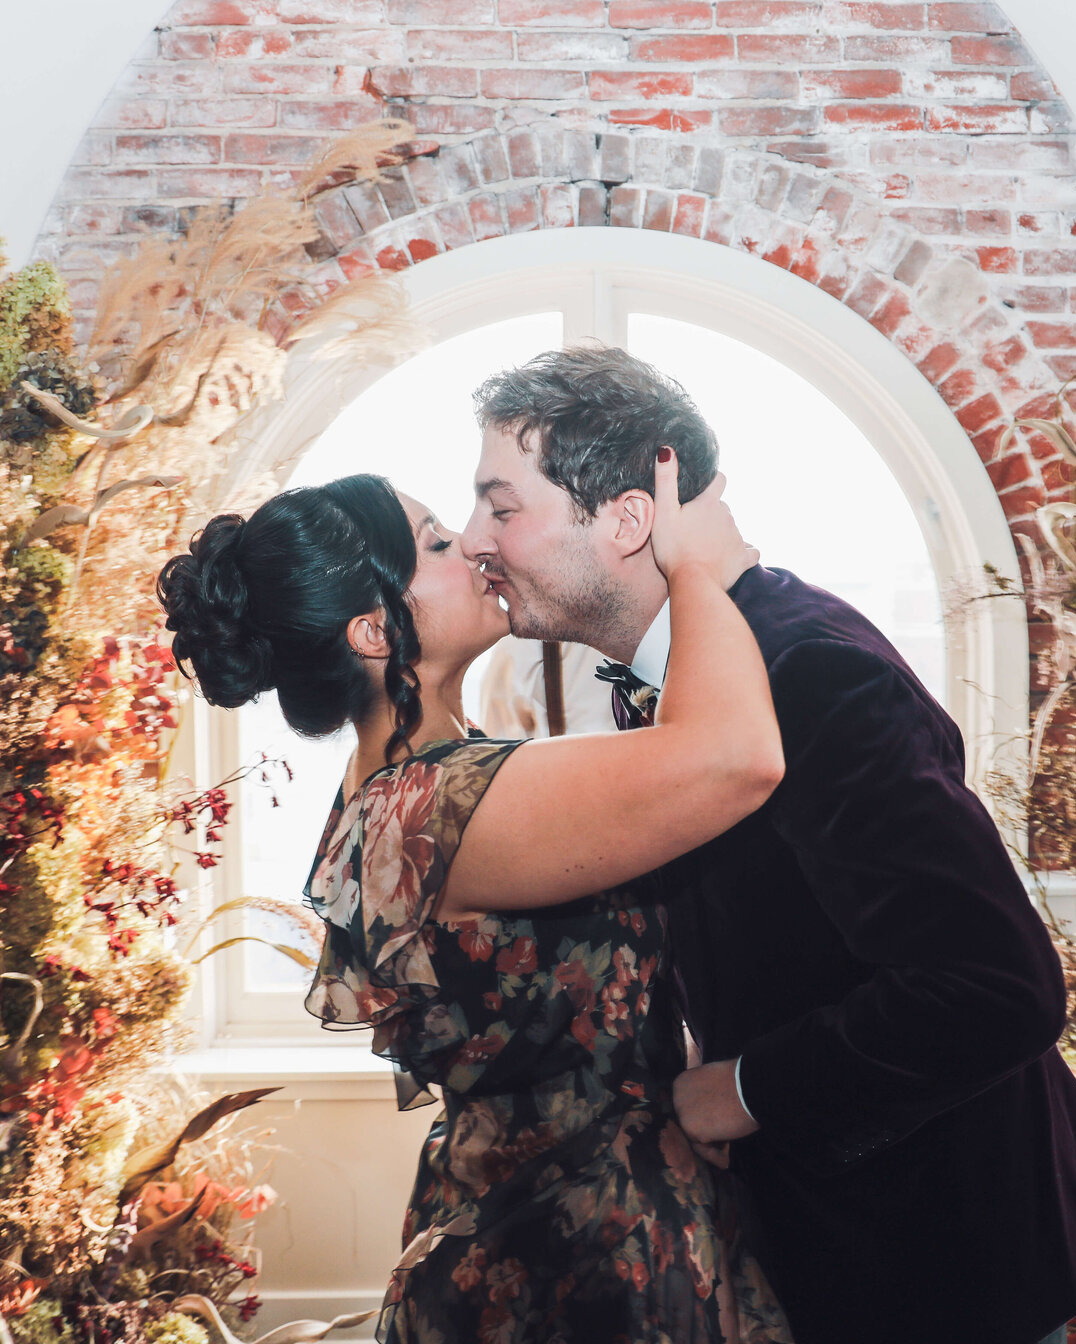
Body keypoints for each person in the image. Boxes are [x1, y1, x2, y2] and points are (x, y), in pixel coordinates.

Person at [461, 344, 1076, 1344]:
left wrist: (745, 1089)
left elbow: (996, 986)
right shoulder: (712, 671)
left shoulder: (808, 674)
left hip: (941, 1266)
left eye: (501, 507)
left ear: (628, 520)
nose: (478, 541)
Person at [156, 466, 793, 1344]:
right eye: (438, 546)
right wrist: (690, 561)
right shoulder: (443, 806)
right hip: (577, 1261)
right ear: (376, 630)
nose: (478, 545)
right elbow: (737, 758)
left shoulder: (407, 788)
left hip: (550, 1219)